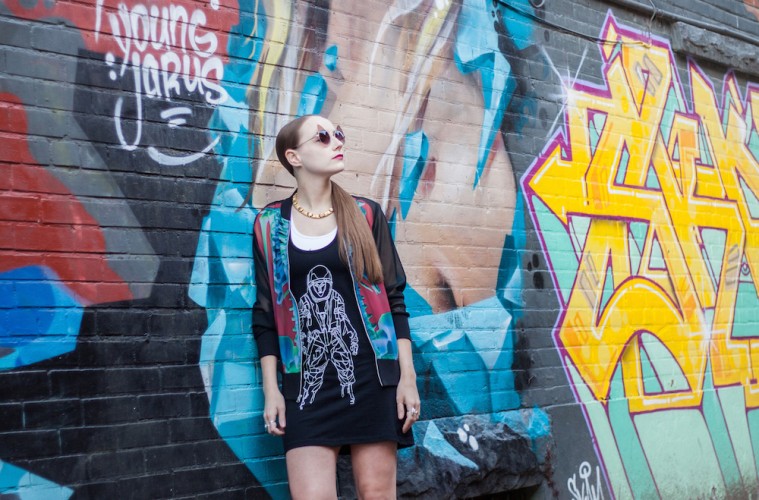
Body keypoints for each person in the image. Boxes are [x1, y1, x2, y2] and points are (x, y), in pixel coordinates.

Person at [252, 114, 421, 499]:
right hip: (305, 386)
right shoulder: (269, 225)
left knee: (376, 493)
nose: (337, 142)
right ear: (294, 156)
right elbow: (265, 316)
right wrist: (272, 390)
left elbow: (394, 302)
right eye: (323, 137)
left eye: (338, 134)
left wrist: (407, 378)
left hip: (371, 379)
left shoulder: (365, 215)